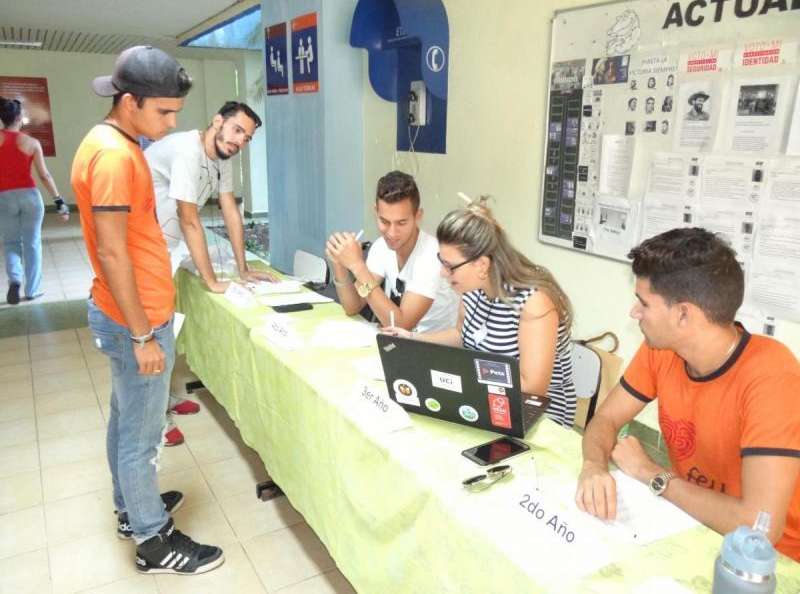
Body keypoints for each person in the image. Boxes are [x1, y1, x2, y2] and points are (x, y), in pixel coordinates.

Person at [71, 45, 224, 575]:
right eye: (163, 111)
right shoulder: (114, 156)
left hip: (131, 311)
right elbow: (113, 251)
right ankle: (154, 540)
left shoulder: (113, 141)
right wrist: (143, 335)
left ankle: (132, 510)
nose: (173, 123)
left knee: (125, 420)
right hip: (133, 318)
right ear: (129, 101)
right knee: (141, 435)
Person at [575, 228, 800, 562]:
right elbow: (606, 418)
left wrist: (652, 474)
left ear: (683, 314)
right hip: (687, 521)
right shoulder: (663, 349)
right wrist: (593, 466)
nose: (634, 313)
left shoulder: (772, 376)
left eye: (643, 303)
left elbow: (759, 527)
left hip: (766, 560)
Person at [144, 100, 276, 446]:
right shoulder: (188, 151)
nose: (239, 141)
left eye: (246, 138)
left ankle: (164, 400)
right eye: (236, 130)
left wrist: (243, 268)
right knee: (153, 337)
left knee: (165, 333)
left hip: (169, 243)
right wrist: (212, 280)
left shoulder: (222, 156)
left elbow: (230, 207)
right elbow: (190, 220)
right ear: (217, 121)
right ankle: (153, 422)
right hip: (147, 248)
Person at [384, 197, 577, 427]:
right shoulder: (472, 289)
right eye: (441, 261)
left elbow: (533, 388)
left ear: (482, 265)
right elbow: (461, 334)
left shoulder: (534, 302)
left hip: (538, 418)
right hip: (487, 403)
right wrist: (414, 340)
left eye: (450, 266)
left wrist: (469, 376)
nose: (444, 273)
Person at [326, 171, 457, 333]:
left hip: (435, 351)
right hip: (402, 346)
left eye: (401, 223)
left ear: (418, 216)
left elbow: (401, 325)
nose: (392, 233)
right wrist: (340, 262)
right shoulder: (381, 247)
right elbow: (353, 306)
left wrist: (358, 266)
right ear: (376, 212)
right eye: (384, 221)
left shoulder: (432, 256)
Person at [0, 97, 69, 305]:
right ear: (19, 117)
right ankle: (32, 290)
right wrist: (59, 201)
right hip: (30, 196)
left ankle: (14, 281)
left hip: (4, 197)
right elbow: (45, 175)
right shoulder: (31, 143)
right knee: (32, 244)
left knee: (11, 242)